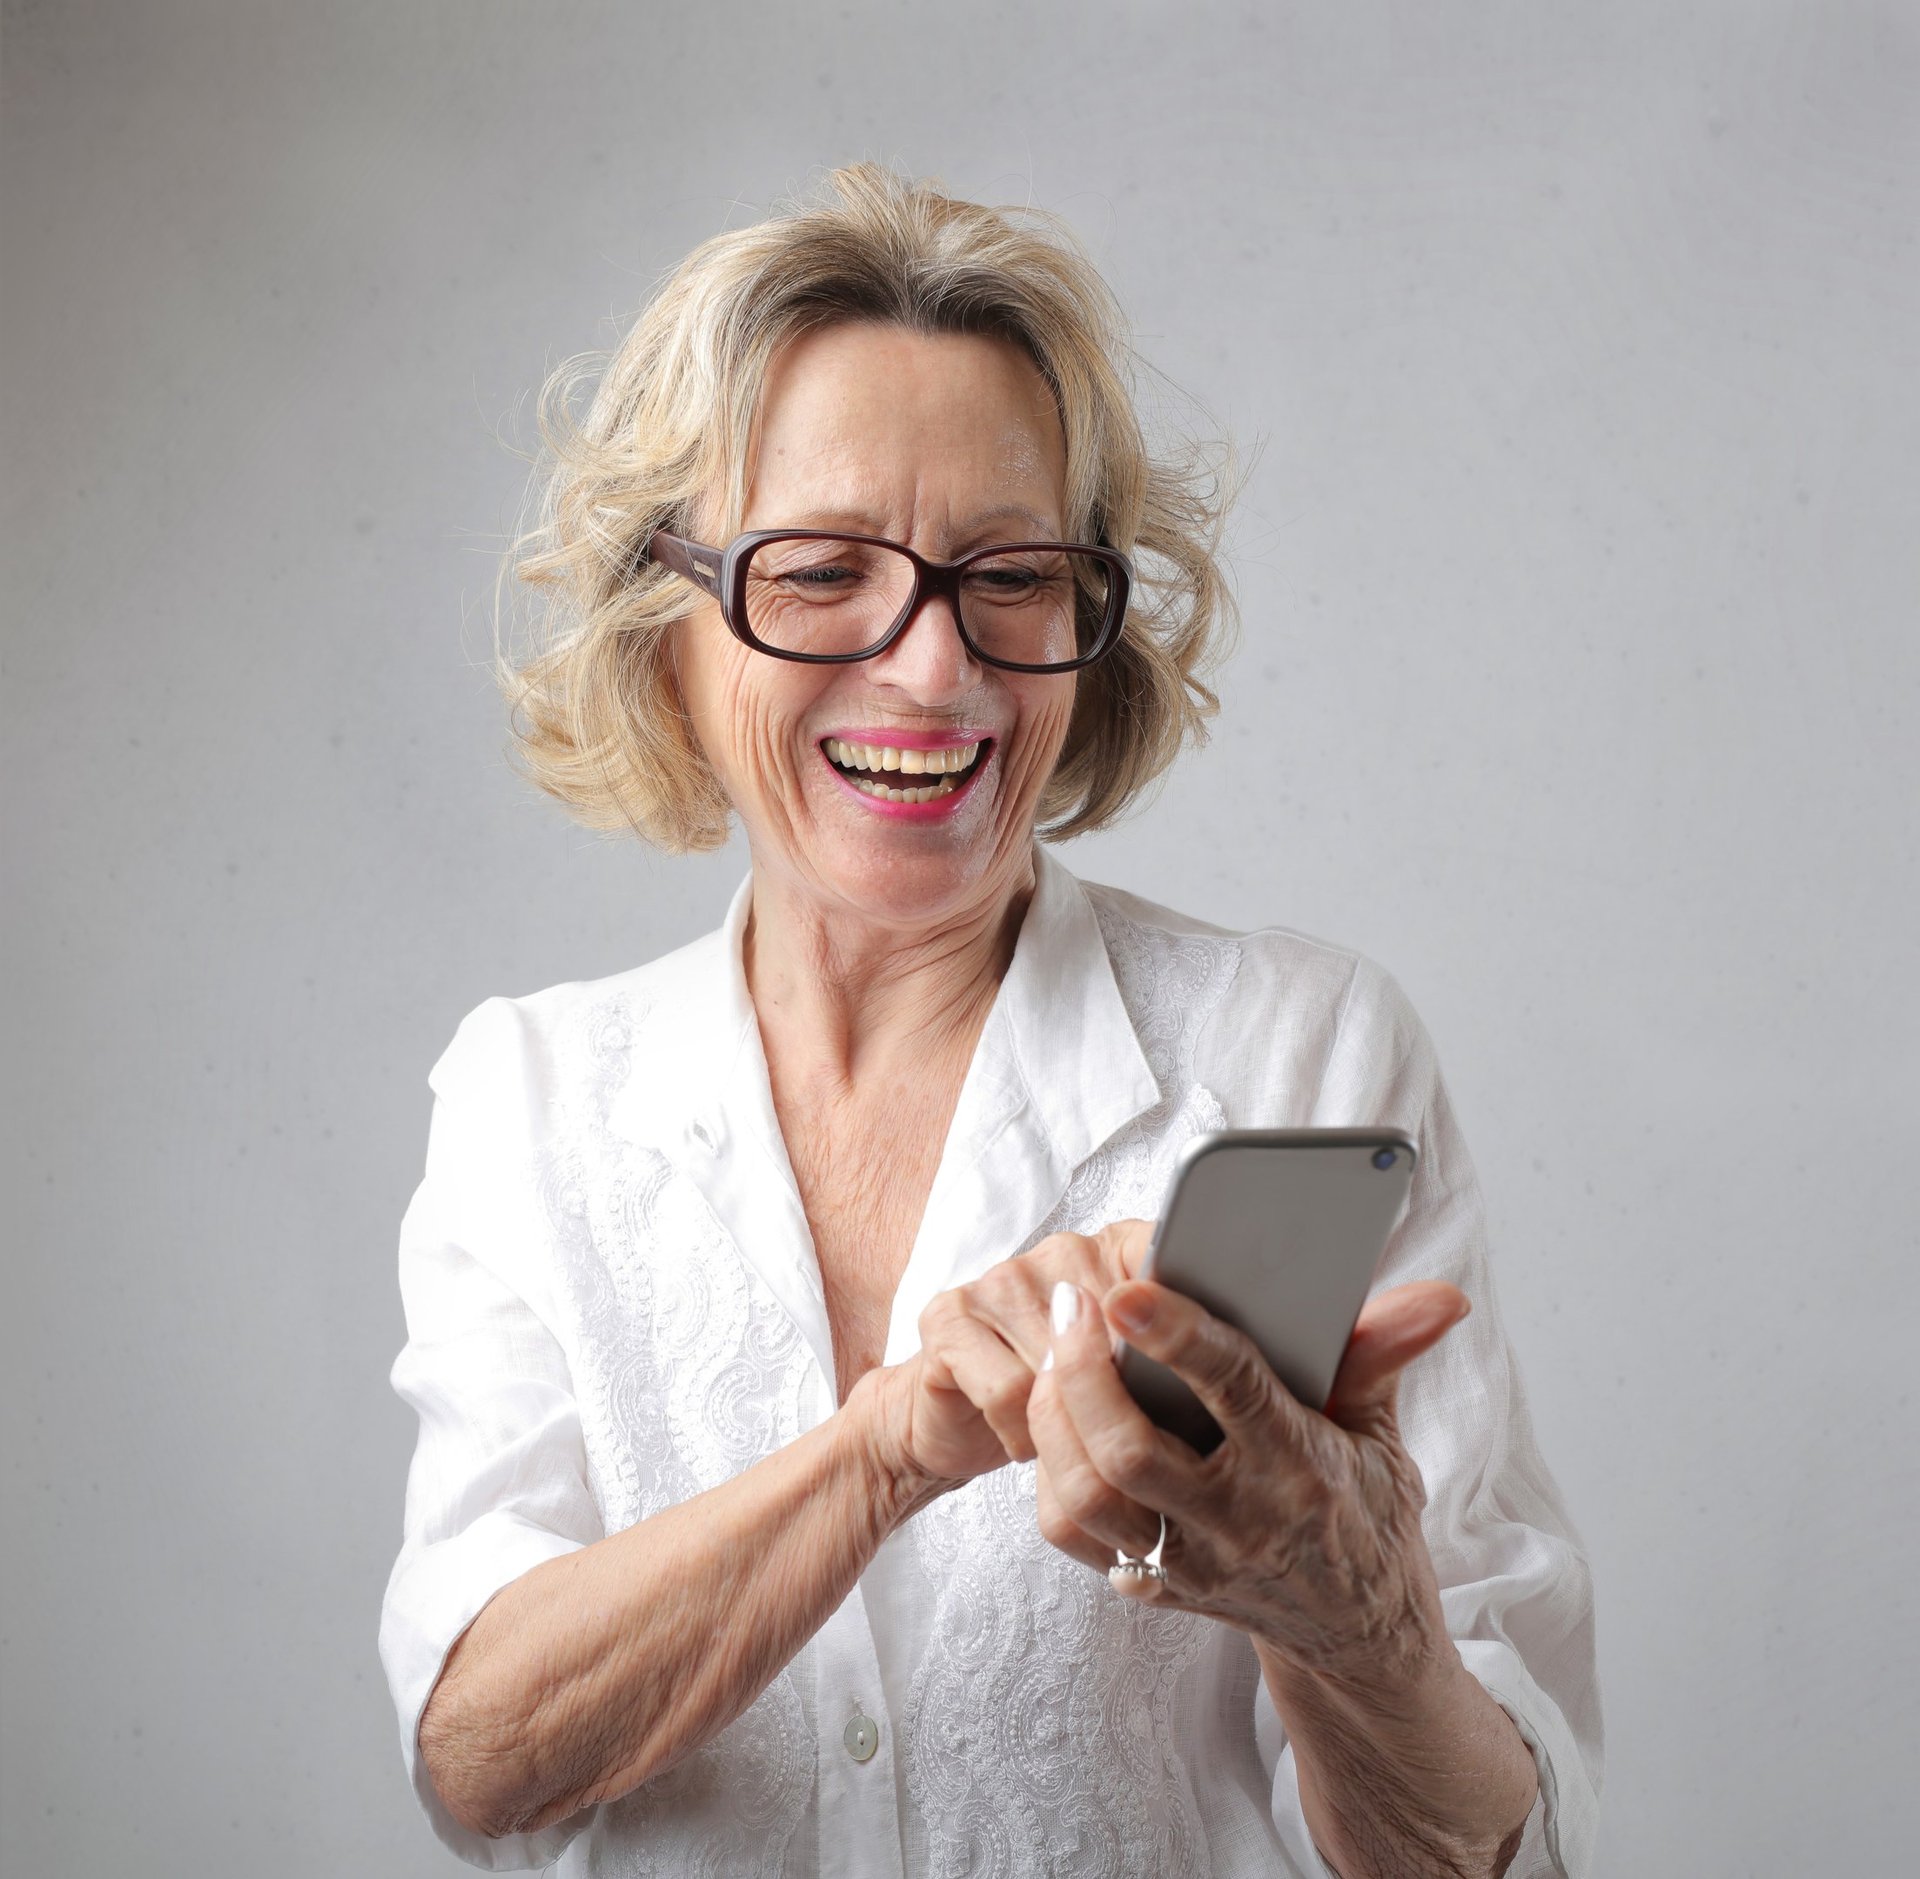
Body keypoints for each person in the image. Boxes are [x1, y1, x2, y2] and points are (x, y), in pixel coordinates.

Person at [378, 164, 1601, 1878]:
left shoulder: (1297, 1056)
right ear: (666, 631)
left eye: (1011, 574)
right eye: (820, 571)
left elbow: (1483, 1854)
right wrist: (887, 1448)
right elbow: (482, 1754)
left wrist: (1339, 1608)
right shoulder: (531, 1095)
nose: (934, 670)